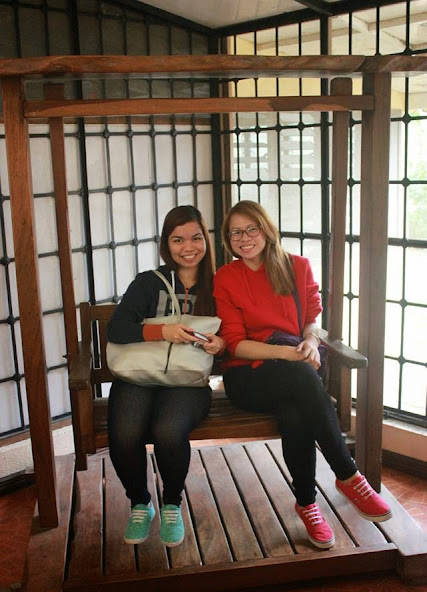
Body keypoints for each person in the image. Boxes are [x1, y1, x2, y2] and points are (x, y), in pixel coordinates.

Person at [213, 200, 391, 550]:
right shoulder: (227, 278)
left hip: (295, 374)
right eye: (235, 233)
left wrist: (309, 341)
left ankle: (307, 503)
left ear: (266, 230)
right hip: (247, 377)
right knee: (301, 379)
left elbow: (312, 319)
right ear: (228, 239)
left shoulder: (297, 267)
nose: (244, 238)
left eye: (251, 229)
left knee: (295, 412)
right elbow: (235, 345)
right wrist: (288, 354)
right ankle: (348, 475)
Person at [107, 205, 224, 547]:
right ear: (166, 244)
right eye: (177, 239)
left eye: (196, 238)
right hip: (138, 376)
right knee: (125, 433)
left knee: (168, 431)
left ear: (206, 240)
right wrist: (162, 331)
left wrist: (221, 344)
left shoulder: (221, 285)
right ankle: (140, 503)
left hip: (188, 381)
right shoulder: (148, 282)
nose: (188, 247)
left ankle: (171, 502)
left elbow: (234, 332)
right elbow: (116, 328)